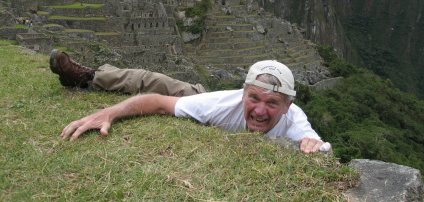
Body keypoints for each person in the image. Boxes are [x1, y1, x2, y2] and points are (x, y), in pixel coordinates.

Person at [50, 49, 331, 154]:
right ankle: (88, 77)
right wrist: (109, 113)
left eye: (272, 103)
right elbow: (159, 103)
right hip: (201, 97)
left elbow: (318, 150)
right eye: (254, 98)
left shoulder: (295, 123)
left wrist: (315, 148)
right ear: (242, 93)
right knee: (153, 80)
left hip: (211, 103)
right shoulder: (221, 104)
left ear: (287, 106)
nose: (259, 110)